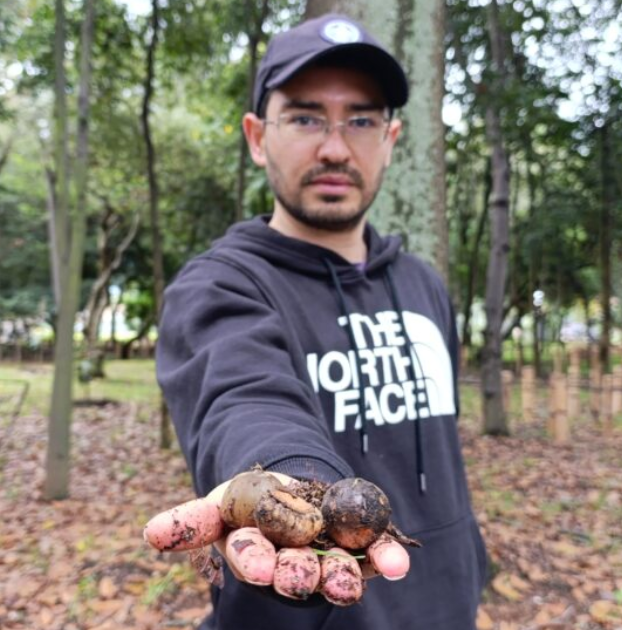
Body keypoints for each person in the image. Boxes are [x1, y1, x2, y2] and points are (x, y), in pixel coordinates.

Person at [149, 13, 488, 630]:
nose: (334, 148)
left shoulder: (423, 285)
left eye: (360, 120)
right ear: (257, 137)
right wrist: (296, 484)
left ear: (390, 137)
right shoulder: (217, 287)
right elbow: (243, 398)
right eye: (305, 118)